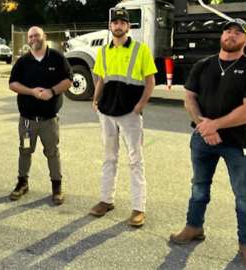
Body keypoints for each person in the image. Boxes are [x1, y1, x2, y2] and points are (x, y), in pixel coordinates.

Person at [169, 19, 246, 269]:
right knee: (199, 187)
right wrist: (204, 126)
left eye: (238, 33)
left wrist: (215, 125)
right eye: (228, 31)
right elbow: (189, 98)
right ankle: (194, 227)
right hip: (202, 140)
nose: (231, 35)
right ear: (221, 36)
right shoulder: (204, 65)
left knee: (243, 195)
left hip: (237, 144)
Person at [89, 8, 157, 228]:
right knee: (109, 157)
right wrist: (95, 99)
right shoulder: (103, 51)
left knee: (135, 159)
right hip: (107, 111)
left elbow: (150, 81)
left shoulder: (140, 50)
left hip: (130, 112)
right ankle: (106, 200)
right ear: (110, 26)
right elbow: (101, 79)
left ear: (128, 26)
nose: (118, 26)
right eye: (115, 22)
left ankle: (139, 208)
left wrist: (140, 106)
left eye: (122, 23)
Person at [8, 26, 72, 205]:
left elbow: (68, 79)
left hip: (49, 120)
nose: (33, 38)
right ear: (28, 40)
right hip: (27, 121)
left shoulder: (57, 58)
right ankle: (22, 183)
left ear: (44, 37)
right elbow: (12, 84)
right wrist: (31, 91)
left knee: (52, 152)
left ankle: (57, 186)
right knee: (25, 151)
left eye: (37, 35)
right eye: (30, 36)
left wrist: (52, 91)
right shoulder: (23, 62)